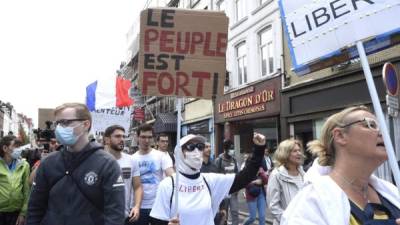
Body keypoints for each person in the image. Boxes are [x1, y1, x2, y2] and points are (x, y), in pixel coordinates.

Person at [281, 105, 400, 225]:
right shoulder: (310, 203)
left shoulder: (391, 192)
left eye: (380, 126)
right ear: (340, 136)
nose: (382, 133)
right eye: (370, 125)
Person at [26, 103, 125, 225]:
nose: (59, 128)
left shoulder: (107, 164)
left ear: (85, 124)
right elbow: (34, 209)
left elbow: (115, 214)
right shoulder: (48, 163)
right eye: (57, 124)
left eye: (66, 122)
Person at [149, 132, 267, 225]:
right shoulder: (168, 185)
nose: (196, 151)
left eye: (200, 147)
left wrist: (259, 149)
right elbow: (156, 220)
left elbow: (245, 177)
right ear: (180, 153)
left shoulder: (210, 180)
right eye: (190, 147)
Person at [131, 124, 175, 225]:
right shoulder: (132, 158)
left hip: (158, 205)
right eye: (143, 137)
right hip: (138, 206)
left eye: (149, 137)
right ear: (137, 137)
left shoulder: (161, 156)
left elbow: (171, 176)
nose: (146, 140)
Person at [104, 125, 143, 225]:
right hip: (102, 217)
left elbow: (138, 186)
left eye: (123, 136)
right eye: (117, 136)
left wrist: (136, 206)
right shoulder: (98, 161)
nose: (122, 139)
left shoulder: (131, 160)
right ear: (107, 140)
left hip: (125, 217)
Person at [266, 139, 305, 225]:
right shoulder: (277, 175)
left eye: (299, 150)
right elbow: (273, 206)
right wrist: (289, 221)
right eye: (295, 151)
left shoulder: (304, 174)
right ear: (285, 154)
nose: (299, 153)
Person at [0, 135, 30, 225]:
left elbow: (26, 190)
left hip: (15, 213)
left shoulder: (24, 165)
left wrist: (23, 213)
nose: (19, 149)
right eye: (15, 146)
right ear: (5, 148)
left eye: (19, 146)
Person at [201, 142, 226, 225]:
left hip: (213, 205)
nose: (209, 149)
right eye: (206, 147)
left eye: (210, 147)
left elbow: (220, 187)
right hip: (200, 204)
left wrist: (223, 207)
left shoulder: (214, 166)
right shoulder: (196, 167)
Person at [215, 139, 239, 225]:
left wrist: (238, 187)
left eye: (233, 148)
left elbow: (237, 174)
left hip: (233, 191)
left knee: (235, 212)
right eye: (230, 148)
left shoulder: (234, 160)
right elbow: (215, 176)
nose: (232, 150)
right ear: (225, 149)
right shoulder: (219, 160)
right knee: (224, 214)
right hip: (223, 192)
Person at [242, 151, 268, 225]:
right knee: (252, 217)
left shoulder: (260, 168)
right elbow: (243, 184)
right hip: (251, 194)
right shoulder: (246, 170)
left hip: (261, 194)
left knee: (262, 216)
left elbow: (266, 181)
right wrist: (254, 182)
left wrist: (261, 173)